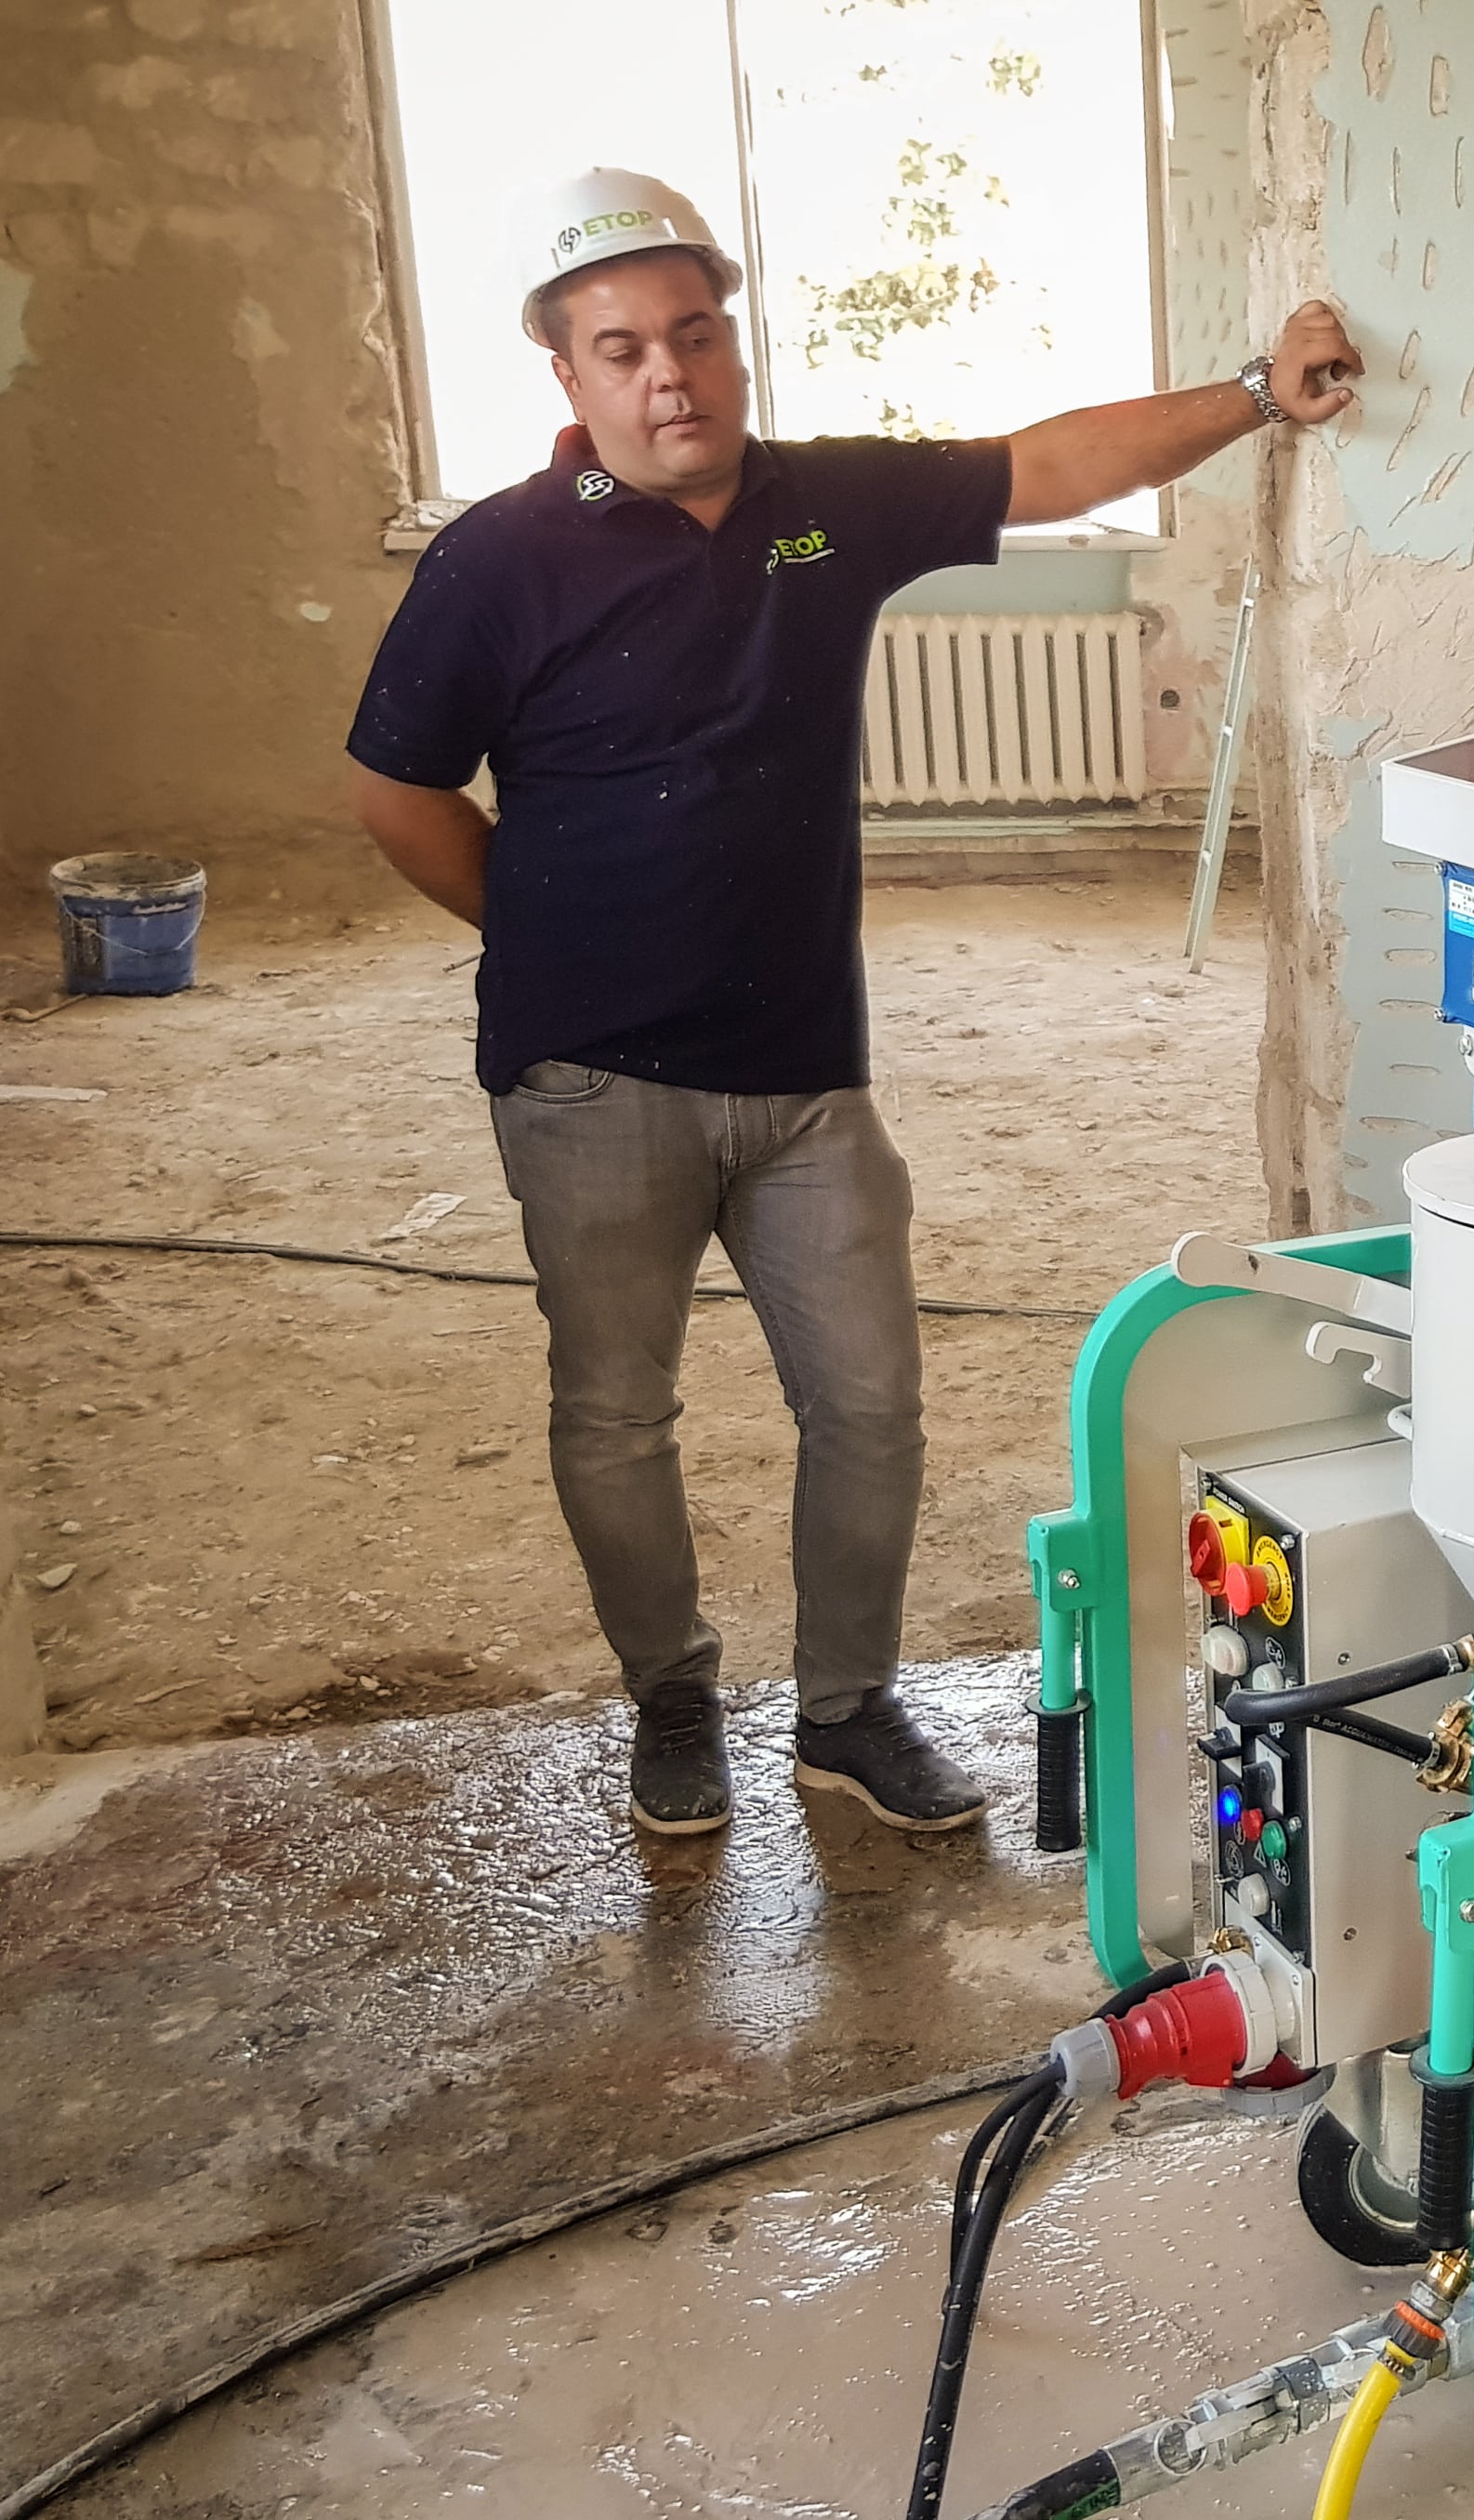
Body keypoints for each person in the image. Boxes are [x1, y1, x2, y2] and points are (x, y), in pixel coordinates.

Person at [345, 170, 1361, 1841]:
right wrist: (540, 936)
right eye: (624, 350)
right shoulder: (498, 561)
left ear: (731, 343)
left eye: (694, 335)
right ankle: (672, 1699)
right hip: (590, 1085)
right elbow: (395, 788)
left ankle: (843, 1708)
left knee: (871, 1405)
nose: (670, 377)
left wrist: (1258, 393)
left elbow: (1047, 464)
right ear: (569, 374)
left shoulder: (816, 508)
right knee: (617, 1414)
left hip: (808, 1079)